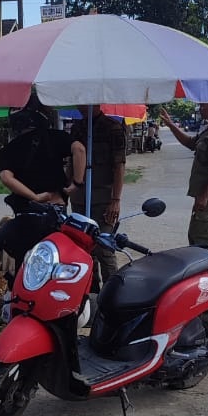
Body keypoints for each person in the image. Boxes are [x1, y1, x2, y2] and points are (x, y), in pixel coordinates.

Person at [0, 107, 86, 271]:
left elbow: (6, 178)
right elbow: (79, 149)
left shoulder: (9, 149)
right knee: (54, 260)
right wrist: (76, 184)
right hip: (55, 210)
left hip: (26, 214)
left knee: (25, 264)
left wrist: (34, 197)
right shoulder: (55, 137)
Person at [158, 103, 208, 250]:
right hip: (204, 195)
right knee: (195, 237)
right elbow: (190, 143)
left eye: (203, 106)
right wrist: (170, 124)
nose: (200, 108)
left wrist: (205, 195)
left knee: (204, 242)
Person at [69, 105, 127, 288]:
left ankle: (112, 293)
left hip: (104, 199)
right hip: (79, 198)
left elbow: (119, 166)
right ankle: (89, 292)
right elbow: (71, 162)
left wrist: (116, 200)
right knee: (84, 249)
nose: (81, 107)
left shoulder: (113, 128)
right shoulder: (77, 128)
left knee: (104, 247)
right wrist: (66, 190)